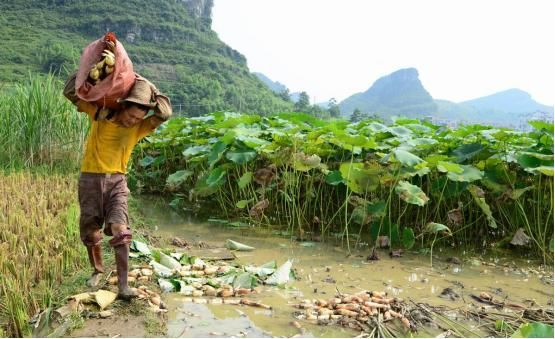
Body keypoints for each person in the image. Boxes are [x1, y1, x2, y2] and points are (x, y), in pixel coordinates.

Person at [64, 74, 171, 300]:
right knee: (91, 232)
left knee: (122, 232)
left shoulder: (138, 128)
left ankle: (123, 286)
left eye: (137, 118)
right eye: (131, 115)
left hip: (117, 182)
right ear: (122, 107)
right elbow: (70, 91)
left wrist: (146, 84)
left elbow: (165, 112)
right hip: (90, 180)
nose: (132, 121)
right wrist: (93, 72)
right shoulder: (99, 115)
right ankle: (97, 270)